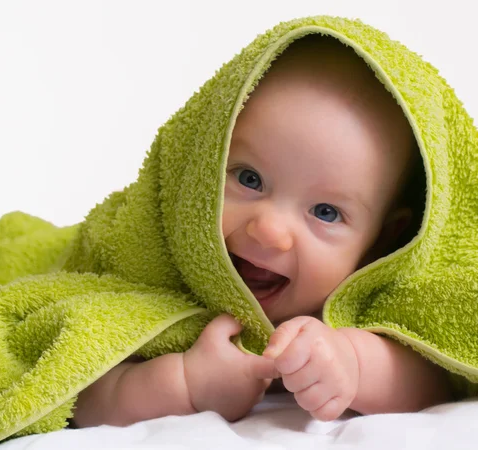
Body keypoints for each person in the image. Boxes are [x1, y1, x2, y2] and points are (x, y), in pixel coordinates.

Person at [71, 35, 452, 428]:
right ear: (200, 160)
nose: (269, 230)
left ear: (384, 240)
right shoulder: (152, 272)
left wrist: (353, 362)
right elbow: (75, 386)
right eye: (249, 179)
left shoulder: (364, 305)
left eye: (325, 212)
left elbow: (436, 382)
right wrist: (184, 382)